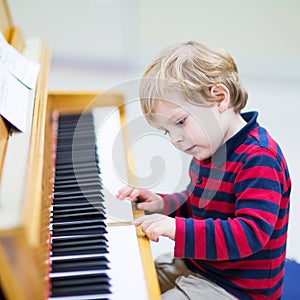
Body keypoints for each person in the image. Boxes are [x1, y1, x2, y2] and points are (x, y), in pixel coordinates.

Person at [116, 41, 291, 299]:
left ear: (219, 98)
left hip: (237, 288)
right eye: (168, 130)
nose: (176, 139)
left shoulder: (259, 158)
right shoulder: (207, 147)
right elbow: (196, 203)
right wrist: (161, 204)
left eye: (180, 122)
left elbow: (250, 234)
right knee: (131, 284)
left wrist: (176, 228)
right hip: (200, 266)